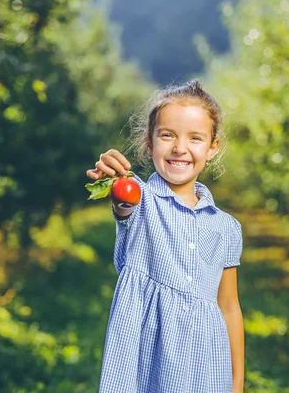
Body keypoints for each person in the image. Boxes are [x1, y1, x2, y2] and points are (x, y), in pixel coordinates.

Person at [86, 80, 244, 392]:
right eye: (167, 135)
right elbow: (123, 204)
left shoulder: (226, 227)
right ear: (149, 143)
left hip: (205, 368)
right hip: (147, 365)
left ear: (213, 147)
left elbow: (229, 307)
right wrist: (114, 181)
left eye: (195, 138)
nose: (179, 148)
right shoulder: (140, 201)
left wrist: (236, 384)